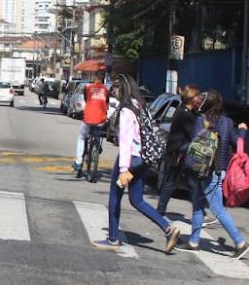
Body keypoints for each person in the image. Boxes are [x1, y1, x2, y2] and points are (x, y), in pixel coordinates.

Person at [94, 74, 181, 253]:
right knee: (136, 199)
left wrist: (123, 169)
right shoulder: (140, 106)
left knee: (114, 197)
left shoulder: (126, 110)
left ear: (124, 88)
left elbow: (125, 141)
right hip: (143, 159)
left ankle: (112, 238)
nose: (114, 91)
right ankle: (168, 228)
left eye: (116, 87)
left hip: (130, 160)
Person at [180, 90, 249, 258]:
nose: (200, 102)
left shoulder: (201, 120)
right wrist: (242, 131)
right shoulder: (227, 122)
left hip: (206, 170)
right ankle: (193, 241)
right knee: (198, 205)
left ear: (207, 103)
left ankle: (240, 242)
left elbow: (194, 144)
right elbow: (236, 142)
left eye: (203, 100)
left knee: (217, 209)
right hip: (218, 170)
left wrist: (179, 150)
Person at [156, 85, 202, 215]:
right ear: (191, 98)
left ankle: (199, 211)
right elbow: (194, 134)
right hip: (178, 152)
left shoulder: (186, 111)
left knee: (188, 183)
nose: (199, 99)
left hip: (178, 151)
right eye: (197, 96)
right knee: (172, 182)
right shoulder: (185, 114)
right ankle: (161, 210)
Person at [73, 70, 109, 177]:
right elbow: (106, 102)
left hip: (88, 118)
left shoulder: (88, 88)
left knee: (81, 138)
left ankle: (78, 163)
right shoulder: (106, 90)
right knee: (98, 133)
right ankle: (97, 146)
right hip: (100, 120)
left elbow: (86, 99)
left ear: (94, 77)